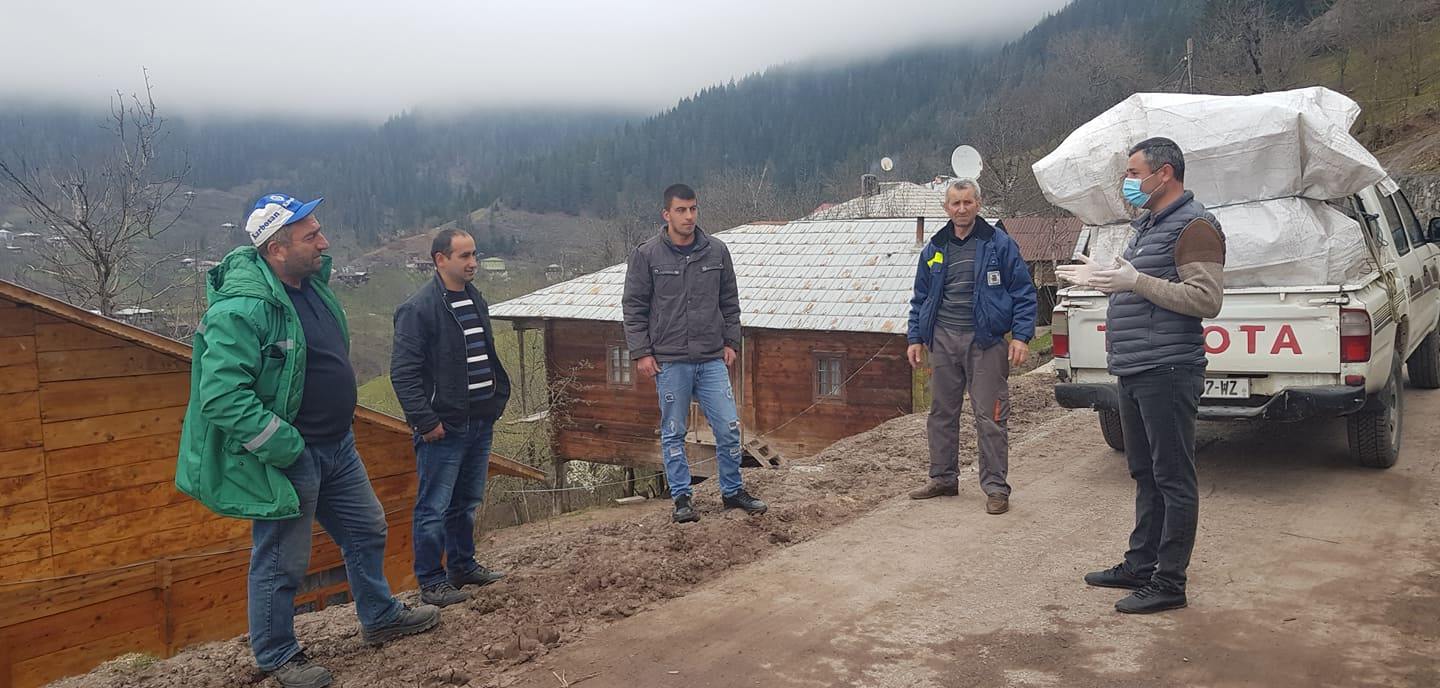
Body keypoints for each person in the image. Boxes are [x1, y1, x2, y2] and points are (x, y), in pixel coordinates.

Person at [176, 193, 439, 688]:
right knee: (281, 560)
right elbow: (221, 396)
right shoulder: (243, 309)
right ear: (277, 248)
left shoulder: (311, 286)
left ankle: (379, 616)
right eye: (311, 235)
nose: (324, 242)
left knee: (367, 529)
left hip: (338, 445)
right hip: (293, 454)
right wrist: (285, 446)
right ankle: (276, 654)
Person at [1059, 137, 1226, 614]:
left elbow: (1206, 299)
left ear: (1164, 173)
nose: (1127, 183)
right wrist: (1106, 279)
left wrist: (1136, 281)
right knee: (1145, 472)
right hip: (1134, 366)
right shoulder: (1149, 226)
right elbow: (1141, 286)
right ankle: (1141, 565)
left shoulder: (1194, 227)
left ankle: (1169, 582)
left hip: (1167, 368)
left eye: (1133, 173)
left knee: (1173, 476)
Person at [621, 183, 767, 523]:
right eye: (681, 210)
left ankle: (733, 491)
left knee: (728, 428)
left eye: (693, 209)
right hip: (670, 360)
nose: (689, 216)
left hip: (711, 357)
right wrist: (641, 352)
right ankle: (682, 499)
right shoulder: (647, 255)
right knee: (674, 431)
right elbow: (634, 307)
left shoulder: (716, 251)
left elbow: (729, 301)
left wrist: (731, 342)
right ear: (666, 214)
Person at [391, 228, 512, 608]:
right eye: (464, 256)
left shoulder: (475, 298)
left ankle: (462, 566)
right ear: (440, 259)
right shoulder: (418, 309)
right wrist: (425, 422)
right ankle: (431, 581)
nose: (473, 262)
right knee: (434, 507)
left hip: (480, 419)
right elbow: (404, 374)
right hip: (444, 427)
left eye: (474, 254)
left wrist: (496, 399)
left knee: (466, 501)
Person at [905, 179, 1038, 515]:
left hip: (986, 342)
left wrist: (1021, 337)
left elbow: (1024, 292)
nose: (961, 209)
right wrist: (915, 338)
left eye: (967, 202)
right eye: (955, 203)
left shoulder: (999, 244)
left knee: (990, 416)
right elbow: (921, 297)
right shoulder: (935, 248)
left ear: (979, 204)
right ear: (946, 208)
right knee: (941, 413)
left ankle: (995, 488)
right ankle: (943, 478)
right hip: (943, 339)